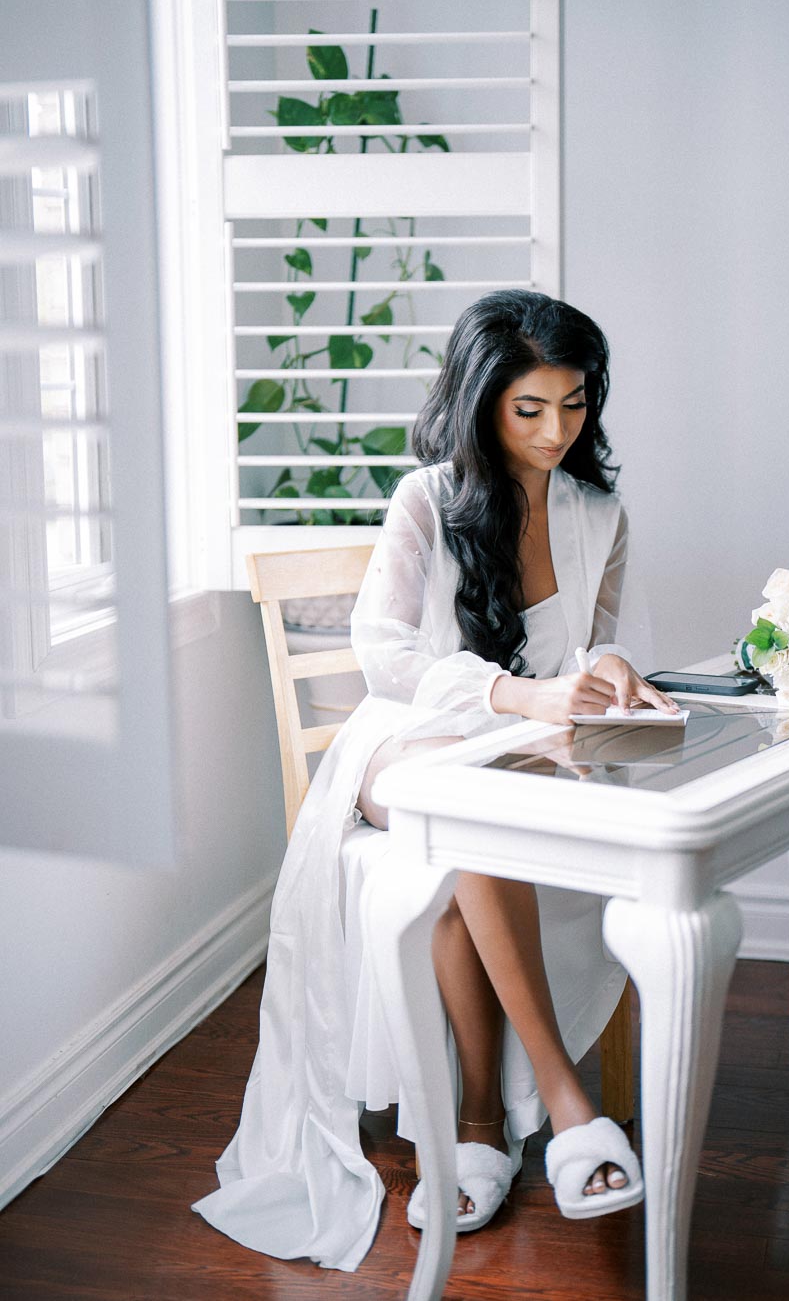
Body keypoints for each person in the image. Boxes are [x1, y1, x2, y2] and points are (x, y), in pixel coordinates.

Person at [192, 289, 676, 1271]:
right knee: (472, 806)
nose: (555, 430)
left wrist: (612, 669)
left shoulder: (600, 513)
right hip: (406, 742)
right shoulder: (427, 497)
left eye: (575, 404)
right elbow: (387, 660)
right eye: (528, 408)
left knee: (471, 849)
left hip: (521, 750)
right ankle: (568, 1106)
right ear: (482, 398)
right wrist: (519, 698)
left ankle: (478, 1130)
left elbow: (593, 640)